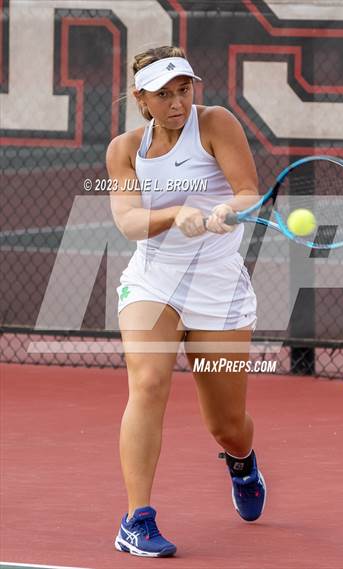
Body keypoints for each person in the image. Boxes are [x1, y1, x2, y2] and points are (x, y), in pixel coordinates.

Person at [106, 46, 266, 558]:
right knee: (148, 381)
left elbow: (249, 192)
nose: (177, 102)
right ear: (142, 99)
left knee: (228, 426)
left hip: (218, 287)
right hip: (153, 280)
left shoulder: (216, 123)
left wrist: (223, 209)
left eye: (184, 89)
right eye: (163, 94)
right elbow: (129, 222)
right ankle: (137, 519)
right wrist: (176, 213)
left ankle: (242, 463)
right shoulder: (124, 148)